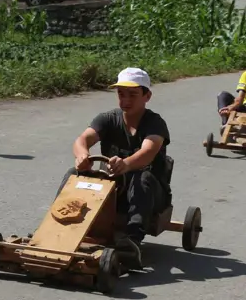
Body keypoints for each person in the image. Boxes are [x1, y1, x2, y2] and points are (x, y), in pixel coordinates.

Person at [68, 68, 171, 267]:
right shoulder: (107, 119)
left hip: (150, 196)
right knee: (74, 174)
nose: (126, 100)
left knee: (142, 177)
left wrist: (126, 164)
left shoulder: (155, 123)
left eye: (133, 94)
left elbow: (148, 152)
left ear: (147, 96)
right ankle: (62, 227)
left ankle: (132, 241)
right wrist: (82, 156)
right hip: (111, 191)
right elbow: (82, 139)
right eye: (121, 94)